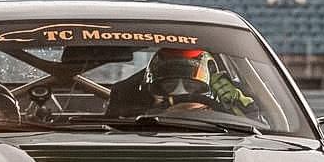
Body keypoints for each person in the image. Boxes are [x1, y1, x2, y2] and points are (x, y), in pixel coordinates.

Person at [105, 47, 259, 119]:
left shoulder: (236, 117)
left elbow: (263, 130)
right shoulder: (132, 127)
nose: (181, 94)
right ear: (152, 91)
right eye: (169, 86)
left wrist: (245, 116)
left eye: (191, 86)